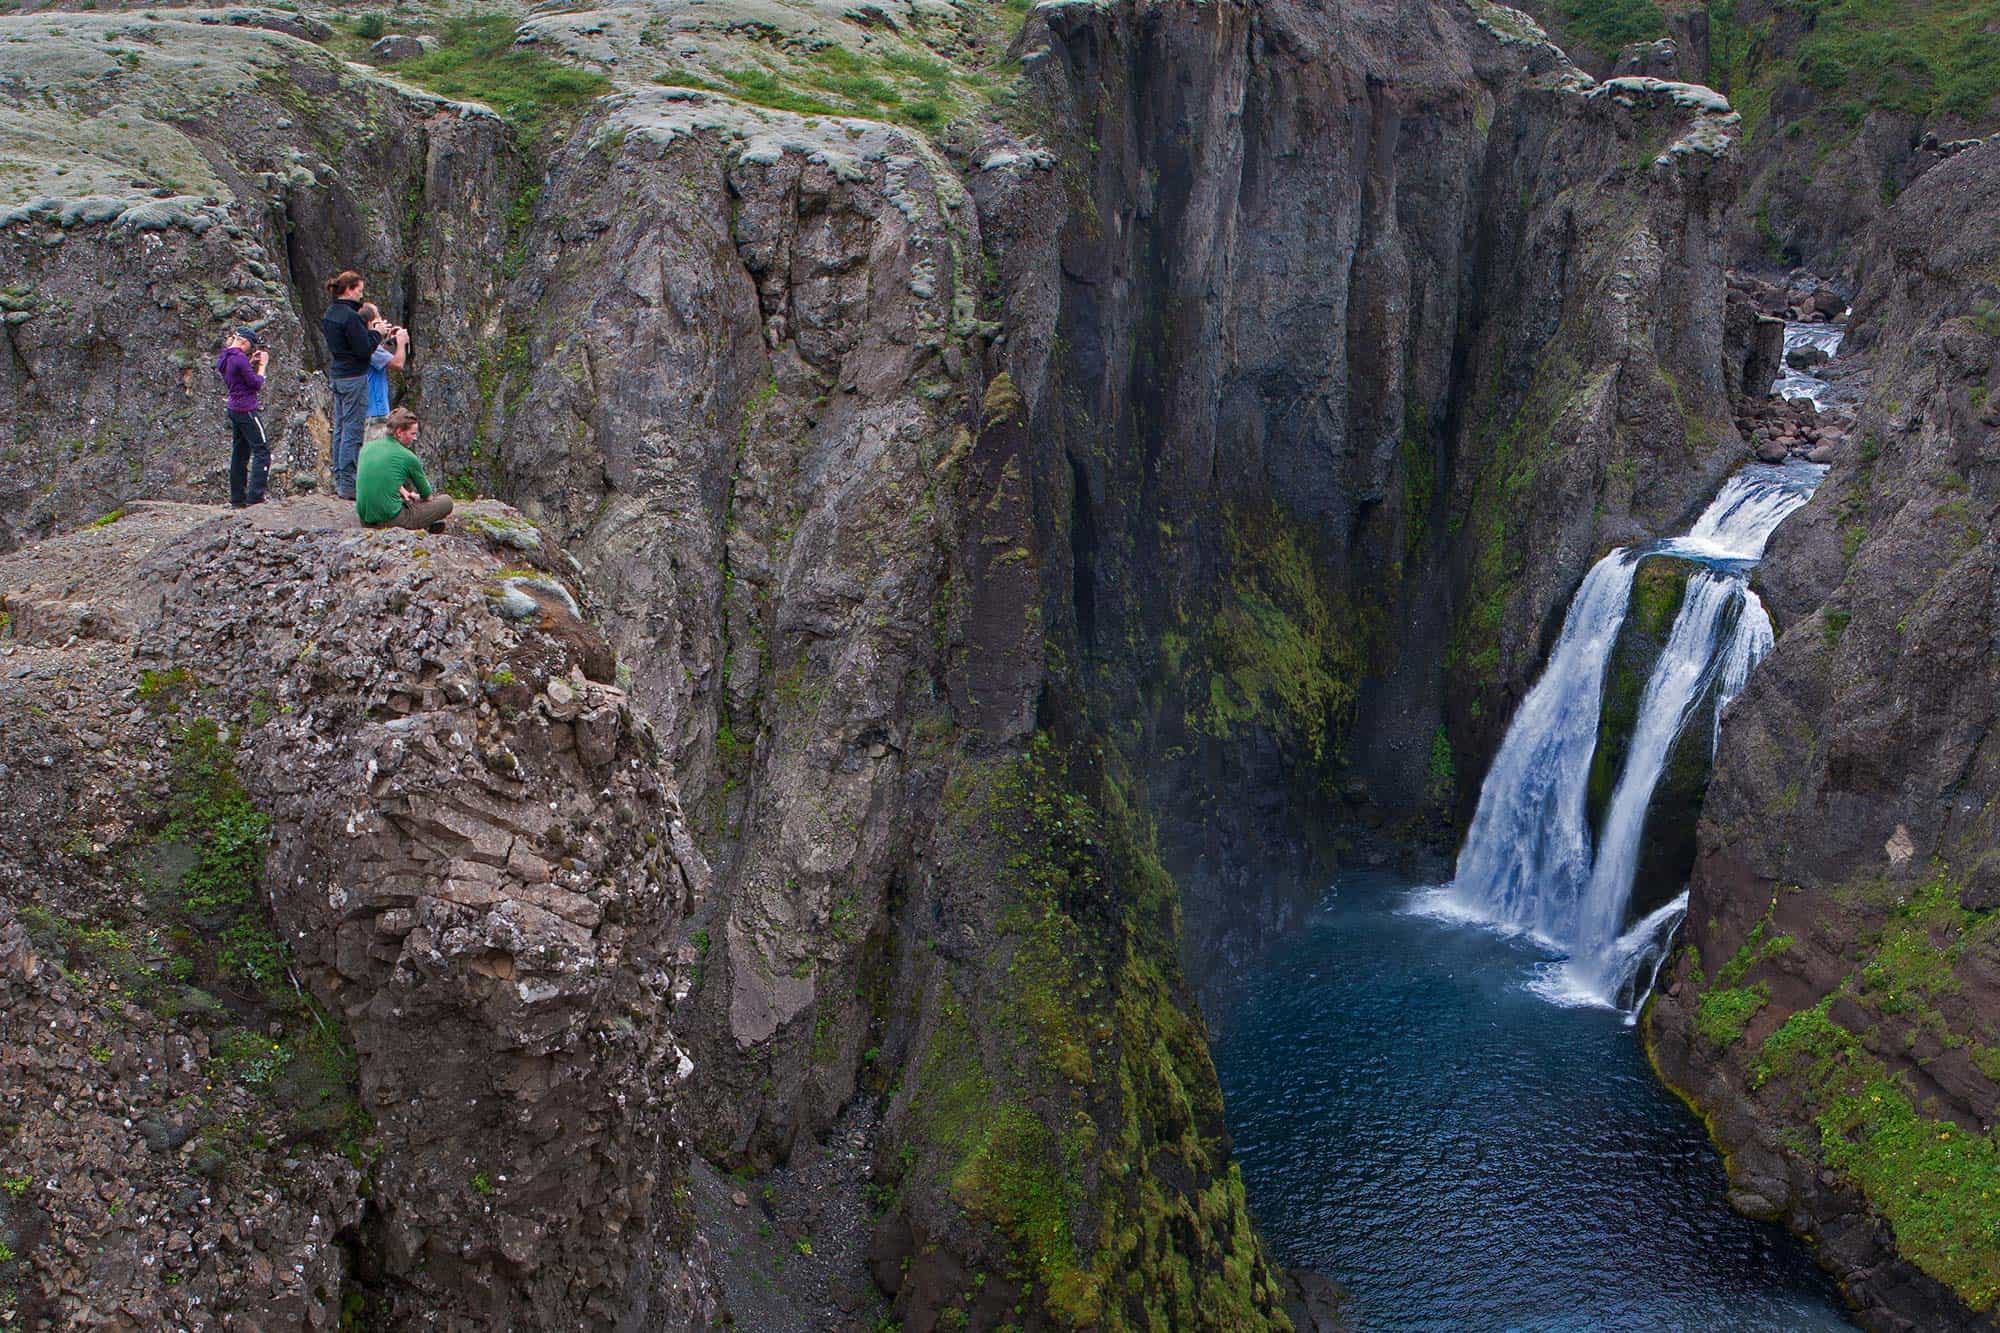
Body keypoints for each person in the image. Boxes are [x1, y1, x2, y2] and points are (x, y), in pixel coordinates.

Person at [320, 270, 380, 501]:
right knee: (353, 430)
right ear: (350, 289)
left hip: (338, 375)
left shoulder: (331, 313)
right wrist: (376, 333)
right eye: (359, 291)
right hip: (354, 377)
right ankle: (348, 484)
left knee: (341, 428)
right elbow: (363, 349)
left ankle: (338, 478)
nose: (361, 296)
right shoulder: (351, 317)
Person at [356, 407, 453, 531]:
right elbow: (427, 496)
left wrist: (401, 490)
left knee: (401, 497)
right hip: (391, 520)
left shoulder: (367, 448)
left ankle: (429, 523)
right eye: (412, 434)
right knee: (446, 502)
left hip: (365, 520)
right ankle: (428, 524)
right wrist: (417, 498)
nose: (415, 438)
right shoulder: (408, 456)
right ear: (399, 432)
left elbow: (378, 476)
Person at [215, 326, 270, 508]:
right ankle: (255, 497)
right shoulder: (240, 359)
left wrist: (249, 361)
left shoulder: (225, 356)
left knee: (239, 453)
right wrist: (262, 367)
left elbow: (238, 371)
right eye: (250, 347)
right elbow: (255, 384)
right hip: (246, 409)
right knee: (262, 450)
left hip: (233, 408)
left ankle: (237, 499)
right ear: (244, 342)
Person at [356, 302, 409, 442]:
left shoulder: (357, 341)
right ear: (370, 323)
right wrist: (402, 342)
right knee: (375, 457)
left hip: (362, 412)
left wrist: (386, 340)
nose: (382, 321)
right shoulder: (369, 346)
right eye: (378, 317)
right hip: (375, 415)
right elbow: (398, 364)